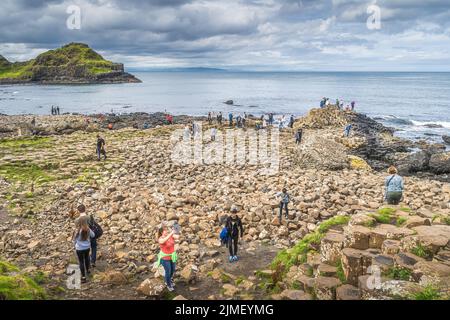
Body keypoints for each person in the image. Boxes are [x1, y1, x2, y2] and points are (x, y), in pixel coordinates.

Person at [157, 222, 180, 291]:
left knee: (172, 270)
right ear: (161, 232)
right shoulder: (160, 239)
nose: (167, 231)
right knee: (168, 271)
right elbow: (164, 240)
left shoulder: (170, 236)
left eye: (167, 230)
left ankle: (169, 280)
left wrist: (176, 229)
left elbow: (177, 237)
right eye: (165, 230)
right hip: (165, 258)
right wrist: (171, 233)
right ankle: (168, 284)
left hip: (172, 256)